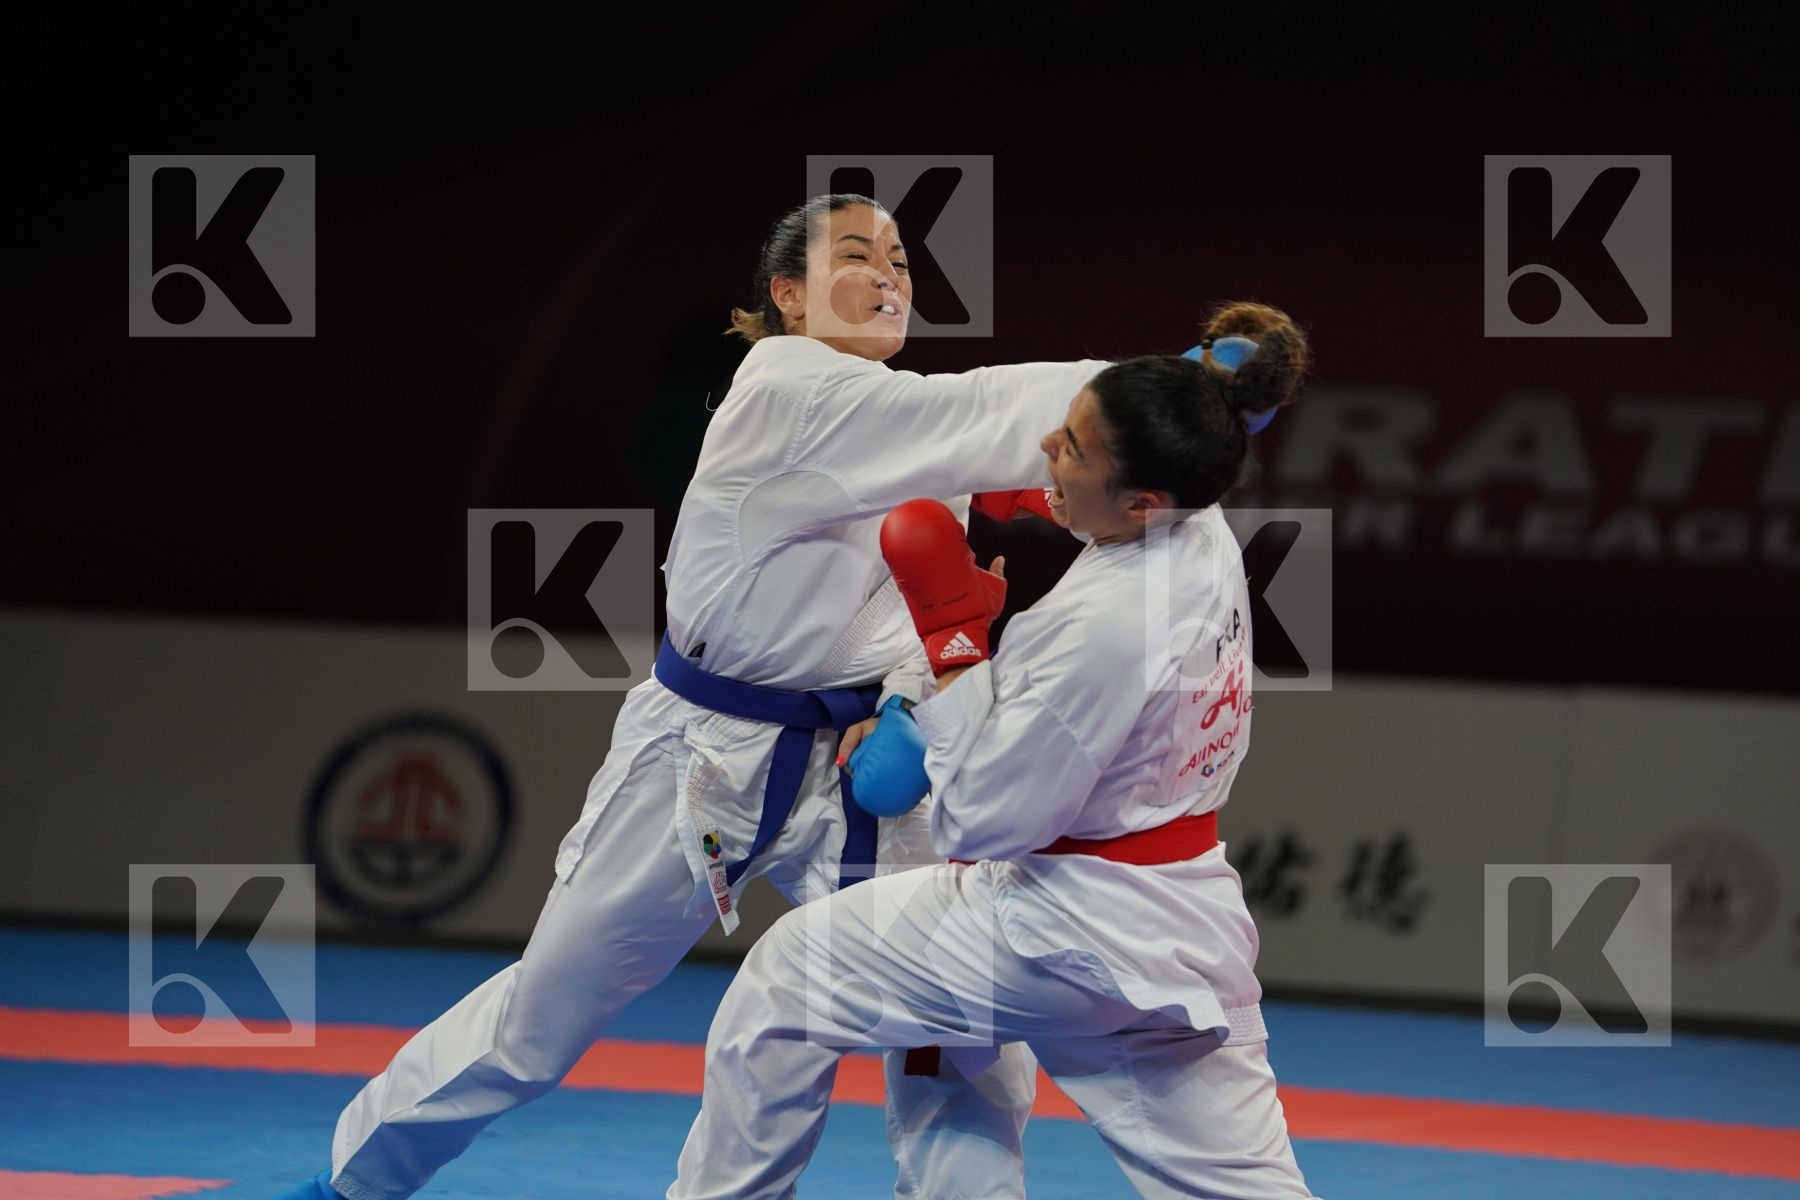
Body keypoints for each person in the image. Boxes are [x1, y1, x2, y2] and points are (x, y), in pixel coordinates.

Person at [275, 193, 1130, 1200]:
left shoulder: (910, 433)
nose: (892, 274)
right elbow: (988, 409)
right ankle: (350, 1185)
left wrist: (905, 699)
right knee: (541, 1018)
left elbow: (908, 598)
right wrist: (1167, 391)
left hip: (849, 762)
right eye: (857, 255)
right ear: (789, 296)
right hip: (706, 757)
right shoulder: (787, 388)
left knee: (960, 1030)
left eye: (901, 257)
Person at [668, 303, 1321, 1199]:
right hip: (1179, 924)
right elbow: (1193, 418)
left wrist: (954, 651)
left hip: (1062, 929)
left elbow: (983, 821)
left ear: (1143, 502)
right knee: (1243, 1187)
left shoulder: (1095, 628)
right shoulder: (1200, 521)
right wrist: (1208, 378)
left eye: (1075, 450)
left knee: (788, 978)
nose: (1047, 445)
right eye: (1071, 421)